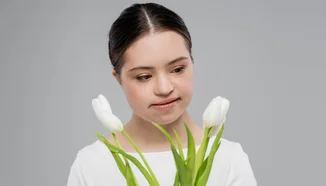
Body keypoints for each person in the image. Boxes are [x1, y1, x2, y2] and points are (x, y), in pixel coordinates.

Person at [66, 3, 257, 186]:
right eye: (144, 76)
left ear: (192, 62)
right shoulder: (90, 165)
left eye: (177, 69)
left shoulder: (229, 160)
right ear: (118, 78)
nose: (164, 88)